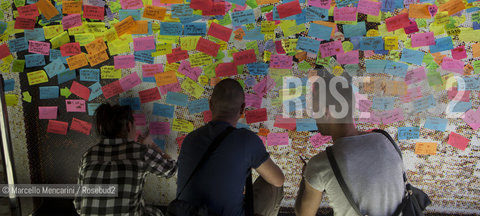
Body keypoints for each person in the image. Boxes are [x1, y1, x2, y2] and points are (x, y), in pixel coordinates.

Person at [295, 68, 405, 216]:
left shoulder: (321, 164)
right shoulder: (384, 139)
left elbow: (303, 214)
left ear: (327, 112)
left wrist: (306, 176)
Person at [176, 78, 285, 216]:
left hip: (188, 213)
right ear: (242, 109)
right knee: (274, 183)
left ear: (210, 105)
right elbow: (278, 180)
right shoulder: (247, 140)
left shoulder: (189, 139)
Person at [74, 103, 177, 216]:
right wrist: (152, 145)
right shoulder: (140, 152)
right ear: (129, 126)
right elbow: (171, 169)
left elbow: (78, 206)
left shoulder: (88, 155)